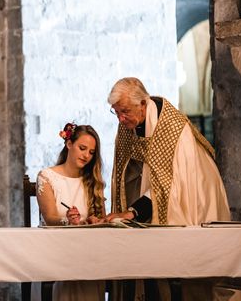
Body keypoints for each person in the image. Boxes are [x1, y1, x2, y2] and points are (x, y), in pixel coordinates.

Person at [105, 77, 230, 300]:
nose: (121, 119)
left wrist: (132, 212)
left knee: (187, 277)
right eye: (116, 112)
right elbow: (126, 175)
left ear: (142, 104)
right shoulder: (128, 124)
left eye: (124, 111)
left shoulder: (170, 129)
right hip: (147, 201)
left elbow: (168, 186)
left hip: (194, 195)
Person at [36, 123, 106, 301]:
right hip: (56, 252)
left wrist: (93, 220)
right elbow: (50, 218)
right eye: (82, 148)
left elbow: (102, 219)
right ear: (69, 144)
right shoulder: (47, 177)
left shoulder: (92, 181)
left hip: (88, 253)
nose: (86, 156)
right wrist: (67, 221)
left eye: (91, 152)